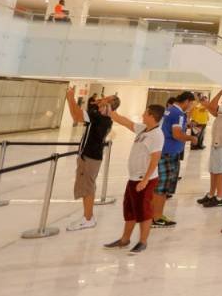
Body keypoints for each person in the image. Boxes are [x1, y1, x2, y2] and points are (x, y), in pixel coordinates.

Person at [103, 103, 164, 254]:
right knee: (129, 210)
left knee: (144, 212)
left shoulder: (156, 135)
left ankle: (143, 242)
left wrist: (145, 181)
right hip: (133, 178)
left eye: (145, 113)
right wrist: (111, 113)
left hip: (144, 180)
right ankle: (125, 239)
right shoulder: (144, 129)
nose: (143, 115)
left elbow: (155, 159)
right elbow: (127, 122)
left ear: (152, 116)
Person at [64, 86, 118, 231]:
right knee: (86, 186)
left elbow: (76, 116)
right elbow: (83, 112)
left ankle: (88, 219)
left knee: (87, 187)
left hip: (90, 157)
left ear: (109, 104)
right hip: (89, 156)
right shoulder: (101, 117)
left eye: (107, 99)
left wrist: (70, 97)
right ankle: (87, 216)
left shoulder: (100, 118)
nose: (102, 99)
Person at [152, 92, 198, 228]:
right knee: (162, 188)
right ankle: (156, 217)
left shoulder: (169, 110)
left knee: (158, 186)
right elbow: (177, 134)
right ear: (187, 101)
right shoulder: (178, 114)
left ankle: (155, 214)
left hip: (163, 151)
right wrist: (192, 138)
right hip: (168, 153)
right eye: (192, 104)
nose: (191, 107)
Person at [197, 88, 222, 208]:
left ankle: (220, 197)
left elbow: (213, 106)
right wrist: (205, 104)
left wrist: (219, 93)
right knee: (213, 171)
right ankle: (211, 194)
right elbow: (212, 109)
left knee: (219, 172)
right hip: (216, 145)